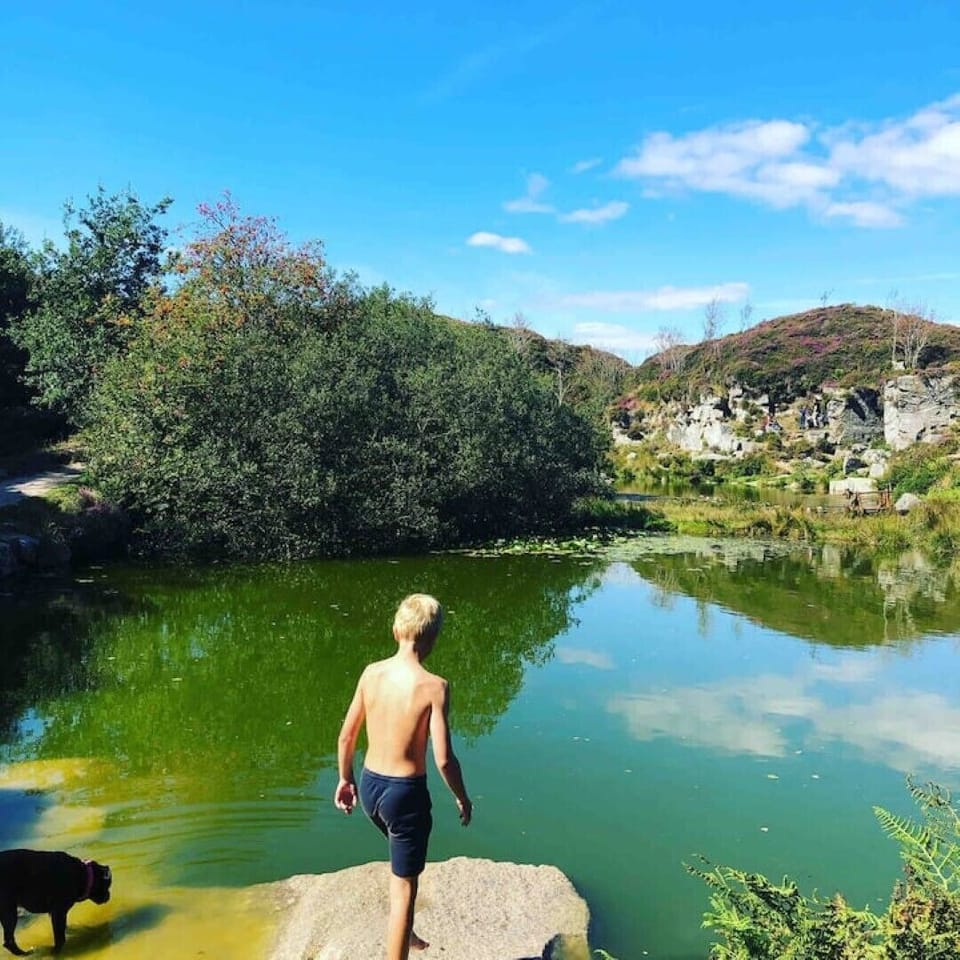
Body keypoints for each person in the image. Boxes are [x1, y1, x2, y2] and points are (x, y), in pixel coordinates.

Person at [335, 594, 472, 960]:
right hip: (405, 796)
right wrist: (462, 796)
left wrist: (344, 779)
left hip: (370, 786)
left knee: (401, 863)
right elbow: (443, 759)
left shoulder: (371, 673)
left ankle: (405, 932)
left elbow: (346, 736)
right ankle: (401, 932)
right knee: (404, 892)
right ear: (432, 639)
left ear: (396, 630)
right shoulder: (435, 687)